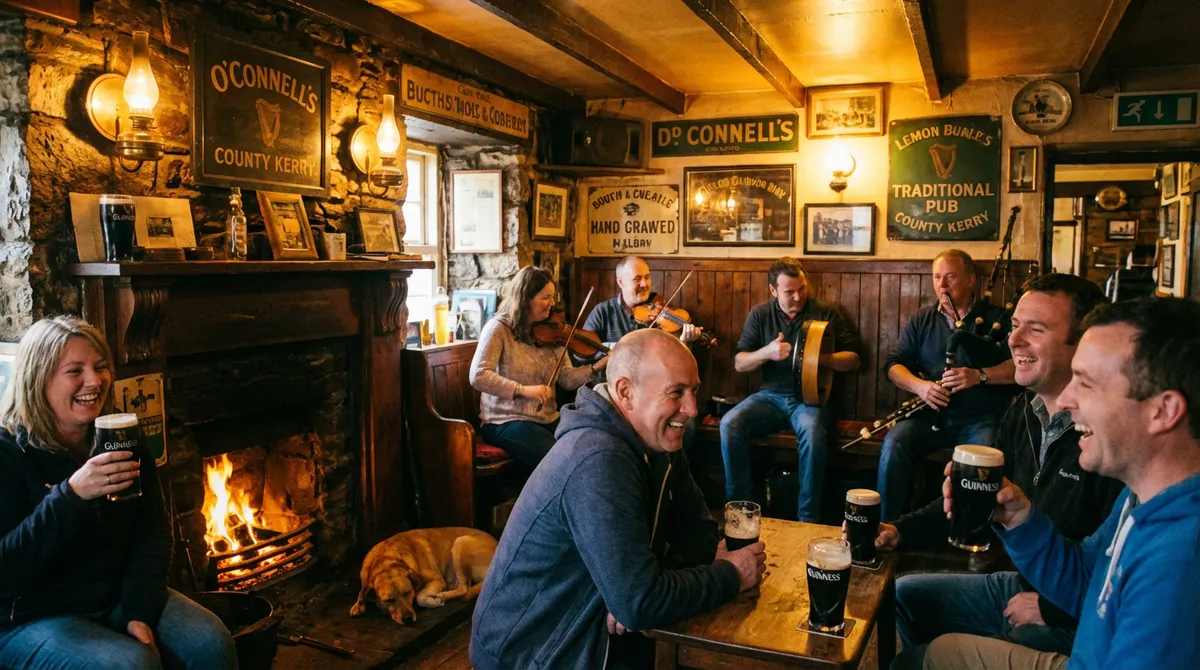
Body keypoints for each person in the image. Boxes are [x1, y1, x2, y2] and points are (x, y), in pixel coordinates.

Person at [923, 297, 1200, 670]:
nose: (1067, 399)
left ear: (1163, 411)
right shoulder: (1140, 497)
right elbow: (1085, 582)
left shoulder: (1180, 561)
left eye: (1086, 383)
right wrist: (1019, 520)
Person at [862, 274, 1124, 668]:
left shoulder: (1111, 437)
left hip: (1077, 613)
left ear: (1083, 343)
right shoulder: (1024, 411)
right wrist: (899, 531)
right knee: (905, 595)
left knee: (919, 661)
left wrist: (1052, 608)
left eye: (1036, 329)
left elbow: (1117, 576)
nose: (1014, 340)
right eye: (1015, 326)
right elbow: (975, 500)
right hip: (1029, 582)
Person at [469, 329, 766, 670]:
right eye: (676, 392)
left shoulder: (660, 442)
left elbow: (699, 530)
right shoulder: (597, 459)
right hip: (529, 655)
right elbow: (640, 603)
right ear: (625, 392)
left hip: (591, 632)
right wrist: (730, 574)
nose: (692, 409)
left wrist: (645, 589)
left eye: (694, 391)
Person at [0, 316, 237, 670]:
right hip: (31, 616)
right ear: (37, 379)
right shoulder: (8, 454)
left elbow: (153, 532)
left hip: (112, 596)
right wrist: (71, 496)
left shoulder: (120, 437)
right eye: (75, 371)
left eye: (100, 367)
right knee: (130, 664)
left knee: (211, 643)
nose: (94, 381)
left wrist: (138, 611)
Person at [877, 249, 1017, 520]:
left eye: (950, 277)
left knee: (984, 459)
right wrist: (921, 387)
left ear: (971, 280)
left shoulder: (998, 320)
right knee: (894, 442)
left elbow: (1020, 367)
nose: (942, 285)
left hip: (981, 420)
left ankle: (972, 532)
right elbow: (893, 365)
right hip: (931, 418)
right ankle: (887, 527)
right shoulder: (922, 320)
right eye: (937, 277)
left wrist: (980, 375)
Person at [720, 257, 860, 522]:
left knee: (812, 432)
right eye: (789, 292)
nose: (798, 296)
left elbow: (853, 359)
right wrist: (767, 352)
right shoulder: (760, 314)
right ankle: (740, 511)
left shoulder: (826, 312)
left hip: (810, 399)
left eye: (802, 288)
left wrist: (818, 358)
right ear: (773, 290)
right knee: (729, 424)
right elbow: (740, 363)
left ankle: (807, 517)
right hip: (770, 398)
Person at [470, 266, 607, 467]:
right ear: (525, 299)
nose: (552, 303)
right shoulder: (498, 328)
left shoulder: (552, 330)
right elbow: (478, 375)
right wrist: (522, 390)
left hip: (546, 418)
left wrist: (595, 368)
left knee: (588, 444)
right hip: (504, 421)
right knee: (560, 458)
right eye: (545, 297)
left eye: (553, 297)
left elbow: (567, 379)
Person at [582, 256, 705, 350]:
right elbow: (583, 351)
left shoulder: (659, 312)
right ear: (620, 282)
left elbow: (670, 361)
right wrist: (613, 348)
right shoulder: (602, 311)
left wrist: (684, 342)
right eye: (637, 279)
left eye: (647, 277)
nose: (645, 284)